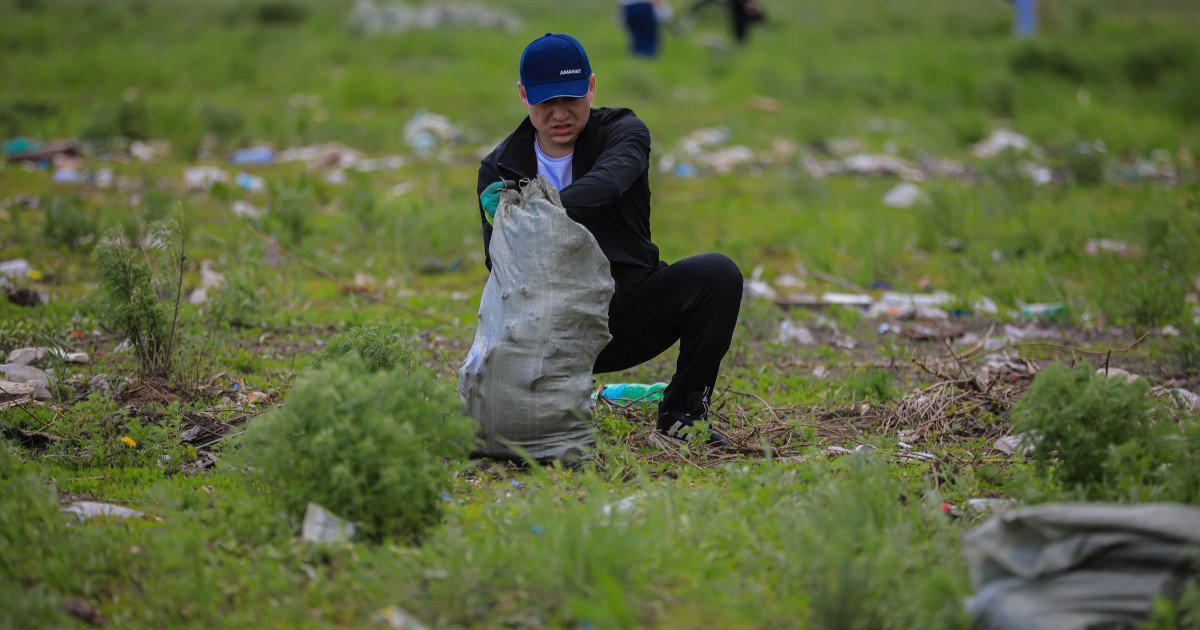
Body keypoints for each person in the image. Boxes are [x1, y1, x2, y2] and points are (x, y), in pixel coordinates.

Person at [475, 33, 743, 446]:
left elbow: (609, 182)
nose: (560, 113)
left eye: (572, 99)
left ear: (592, 87)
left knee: (717, 274)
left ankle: (684, 418)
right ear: (524, 95)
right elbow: (499, 262)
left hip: (624, 314)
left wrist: (533, 208)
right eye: (546, 102)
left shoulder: (623, 131)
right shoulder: (499, 166)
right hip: (542, 332)